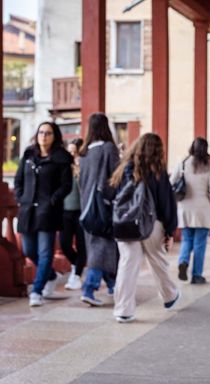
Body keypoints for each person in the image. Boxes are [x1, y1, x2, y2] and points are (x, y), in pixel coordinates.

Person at [110, 133, 180, 323]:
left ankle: (123, 310)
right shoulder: (157, 170)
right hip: (151, 224)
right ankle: (169, 295)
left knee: (127, 264)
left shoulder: (123, 169)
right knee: (158, 261)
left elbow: (114, 196)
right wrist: (170, 230)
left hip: (125, 223)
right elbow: (167, 203)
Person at [14, 122, 73, 307]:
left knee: (45, 252)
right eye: (41, 132)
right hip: (28, 209)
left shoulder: (62, 158)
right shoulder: (29, 154)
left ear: (54, 136)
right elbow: (19, 179)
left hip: (48, 211)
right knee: (28, 250)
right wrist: (21, 196)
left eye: (48, 133)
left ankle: (37, 291)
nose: (44, 136)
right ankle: (51, 275)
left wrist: (53, 200)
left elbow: (66, 186)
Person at [79, 113, 120, 307]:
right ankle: (89, 287)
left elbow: (81, 181)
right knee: (102, 248)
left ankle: (113, 285)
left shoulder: (84, 151)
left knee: (98, 247)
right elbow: (116, 177)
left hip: (87, 207)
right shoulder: (109, 148)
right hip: (103, 206)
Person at [171, 137, 210, 284]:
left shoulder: (183, 164)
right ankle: (197, 275)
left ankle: (183, 261)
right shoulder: (209, 167)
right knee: (200, 243)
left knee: (187, 239)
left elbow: (171, 182)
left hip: (185, 207)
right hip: (202, 208)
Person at [61, 138, 86, 291]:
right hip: (65, 212)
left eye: (75, 152)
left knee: (82, 246)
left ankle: (76, 275)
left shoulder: (83, 169)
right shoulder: (62, 169)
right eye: (69, 151)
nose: (71, 154)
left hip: (82, 212)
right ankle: (76, 265)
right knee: (64, 244)